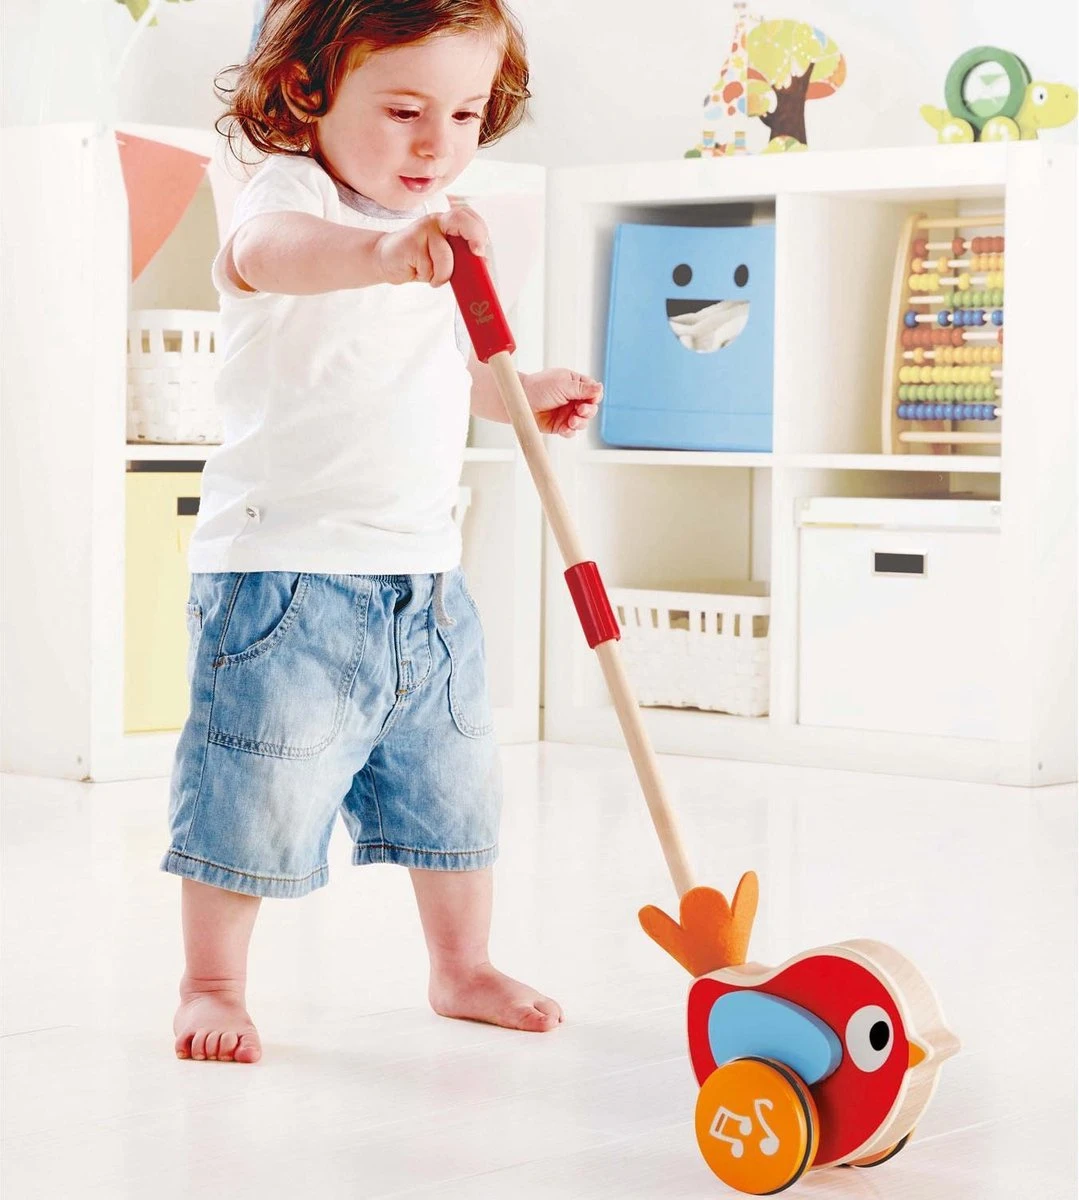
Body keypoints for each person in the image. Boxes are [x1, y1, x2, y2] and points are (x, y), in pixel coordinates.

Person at [164, 0, 602, 1064]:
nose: (435, 144)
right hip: (285, 579)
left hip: (424, 580)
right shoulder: (292, 197)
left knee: (454, 789)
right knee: (252, 787)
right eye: (403, 111)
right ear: (308, 91)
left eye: (464, 114)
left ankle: (462, 966)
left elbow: (445, 374)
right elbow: (268, 255)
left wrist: (519, 392)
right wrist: (386, 248)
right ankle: (212, 984)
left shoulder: (438, 228)